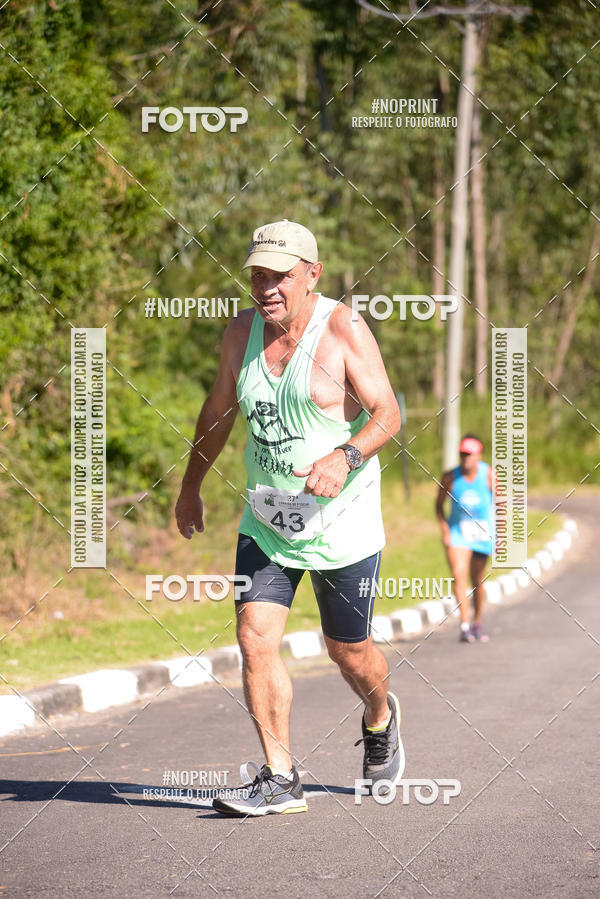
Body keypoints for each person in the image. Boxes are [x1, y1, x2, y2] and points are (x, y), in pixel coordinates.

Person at [175, 220, 403, 816]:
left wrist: (345, 455)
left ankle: (380, 716)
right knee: (255, 640)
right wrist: (191, 485)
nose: (267, 285)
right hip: (269, 521)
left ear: (312, 274)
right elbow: (218, 412)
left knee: (346, 650)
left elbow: (387, 413)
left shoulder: (345, 328)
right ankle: (280, 778)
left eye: (279, 274)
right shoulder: (242, 332)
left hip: (342, 524)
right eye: (257, 274)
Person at [435, 434, 494, 643]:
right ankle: (465, 625)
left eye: (470, 455)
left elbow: (503, 503)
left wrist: (501, 534)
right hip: (458, 532)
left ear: (479, 456)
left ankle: (477, 622)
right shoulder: (450, 477)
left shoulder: (489, 475)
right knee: (459, 574)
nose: (466, 459)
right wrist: (445, 530)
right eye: (462, 454)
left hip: (481, 533)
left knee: (477, 579)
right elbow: (438, 505)